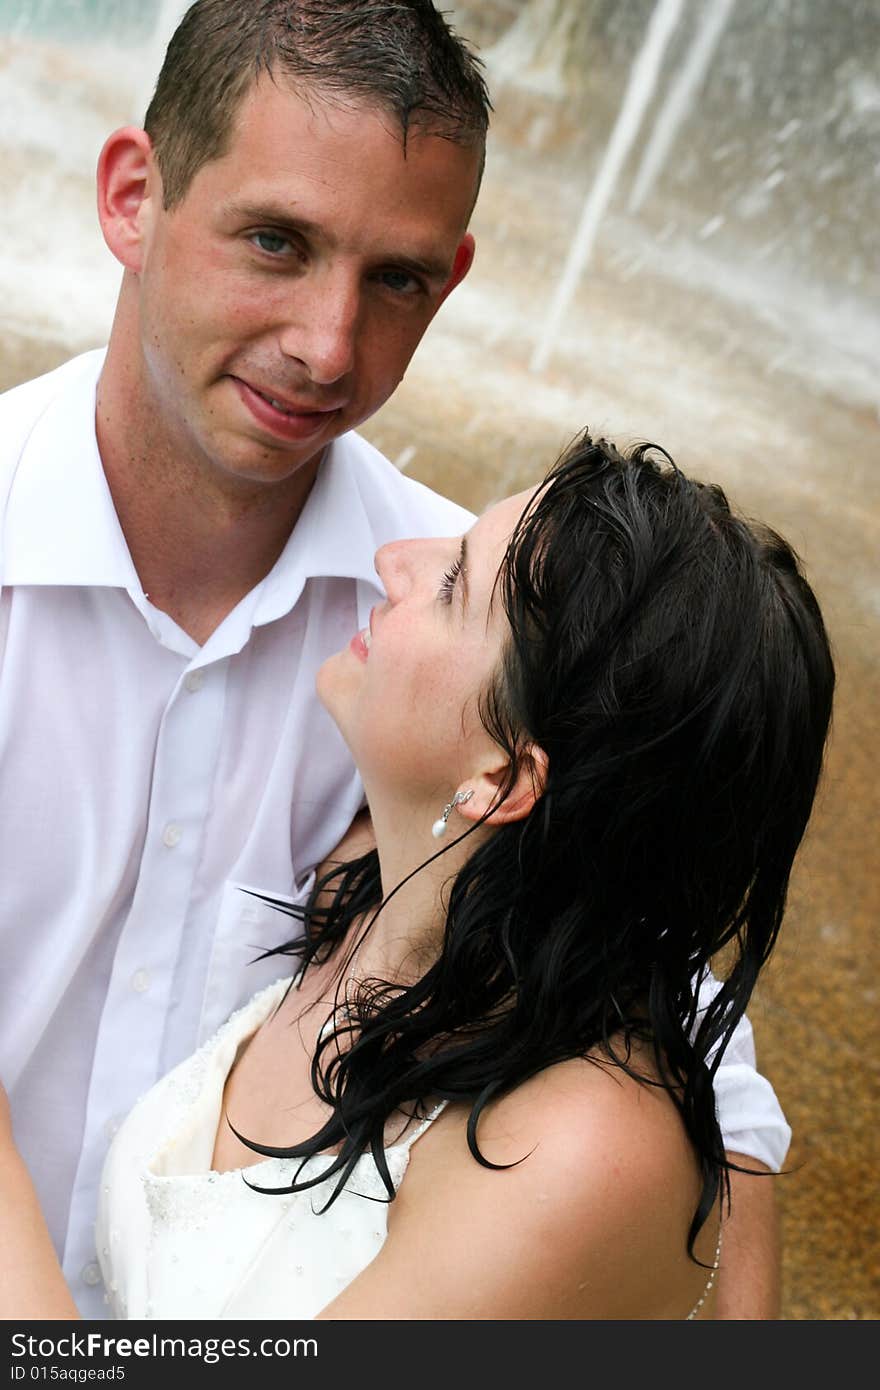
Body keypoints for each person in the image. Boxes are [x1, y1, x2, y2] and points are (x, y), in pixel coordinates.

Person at [0, 1, 787, 1320]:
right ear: (134, 196)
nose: (328, 346)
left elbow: (702, 1052)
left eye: (397, 280)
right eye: (276, 242)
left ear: (454, 275)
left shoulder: (452, 635)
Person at [1, 433, 835, 1320]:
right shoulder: (368, 892)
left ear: (505, 780)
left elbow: (707, 1076)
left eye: (451, 587)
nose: (393, 559)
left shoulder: (574, 1151)